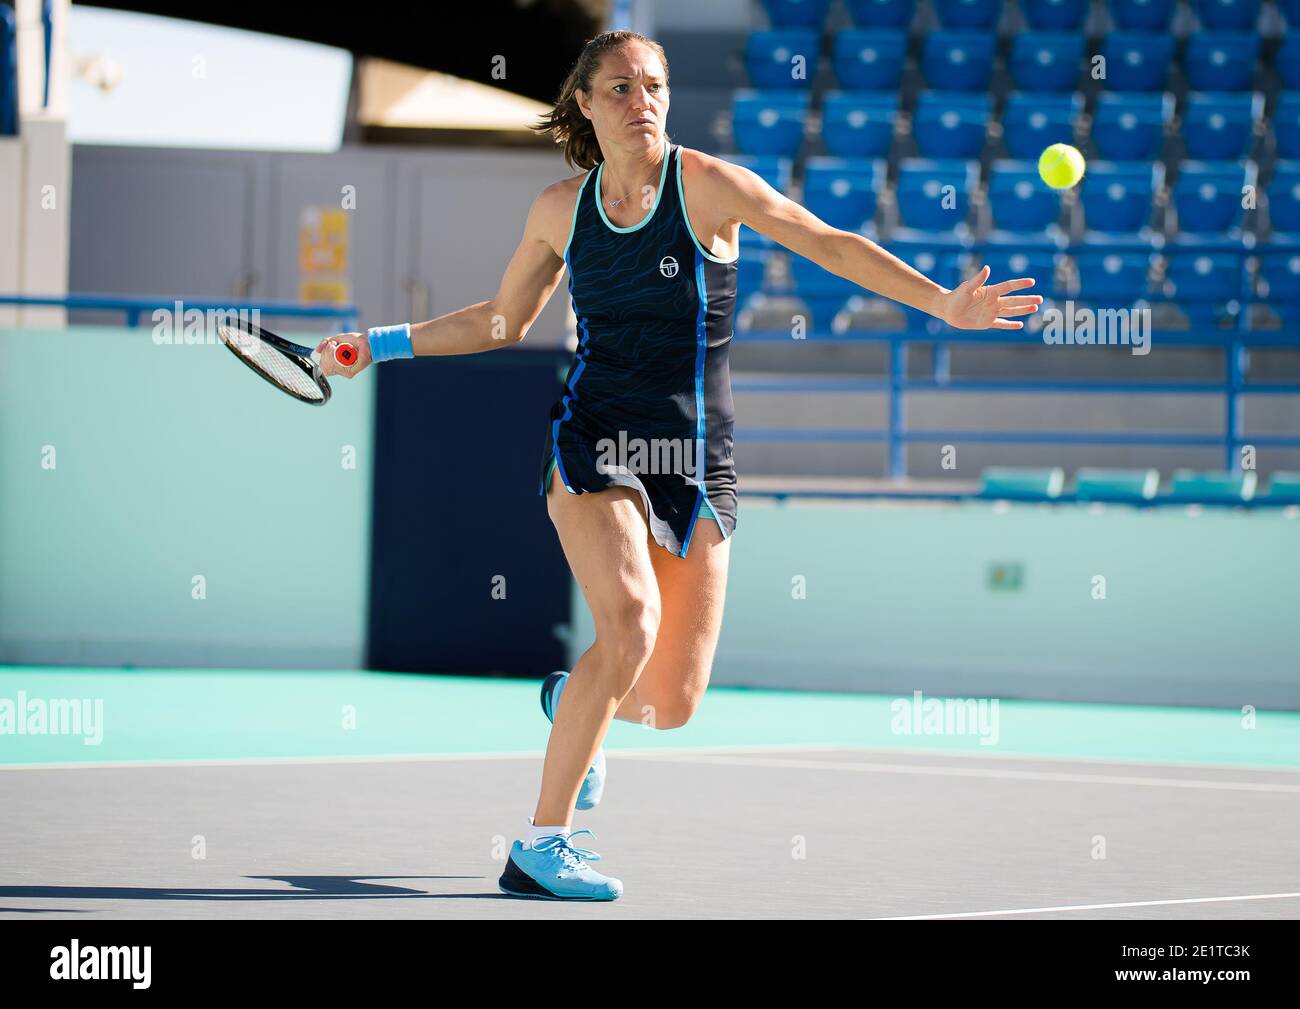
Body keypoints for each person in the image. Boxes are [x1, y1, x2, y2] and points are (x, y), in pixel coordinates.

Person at [318, 29, 1042, 902]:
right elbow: (501, 323)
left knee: (671, 702)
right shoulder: (559, 209)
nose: (641, 102)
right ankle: (542, 846)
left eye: (654, 86)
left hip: (697, 455)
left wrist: (942, 303)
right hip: (595, 442)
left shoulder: (708, 188)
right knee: (629, 621)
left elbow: (829, 242)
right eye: (619, 88)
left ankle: (569, 704)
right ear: (584, 103)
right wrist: (377, 344)